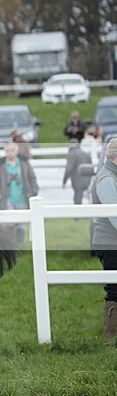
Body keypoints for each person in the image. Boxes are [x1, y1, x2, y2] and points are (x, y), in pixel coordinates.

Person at [90, 138, 117, 338]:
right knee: (115, 289)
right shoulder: (107, 179)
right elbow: (114, 216)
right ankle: (112, 337)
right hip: (110, 242)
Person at [0, 142, 39, 245]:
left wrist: (33, 192)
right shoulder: (1, 166)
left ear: (17, 151)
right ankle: (11, 246)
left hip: (23, 198)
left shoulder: (24, 164)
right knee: (10, 223)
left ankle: (19, 246)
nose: (10, 153)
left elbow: (32, 178)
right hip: (7, 199)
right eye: (7, 151)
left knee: (21, 225)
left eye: (12, 150)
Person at [62, 138, 93, 205]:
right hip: (87, 181)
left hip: (77, 181)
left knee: (77, 200)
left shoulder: (72, 154)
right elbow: (91, 168)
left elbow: (68, 169)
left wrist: (64, 181)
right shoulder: (85, 154)